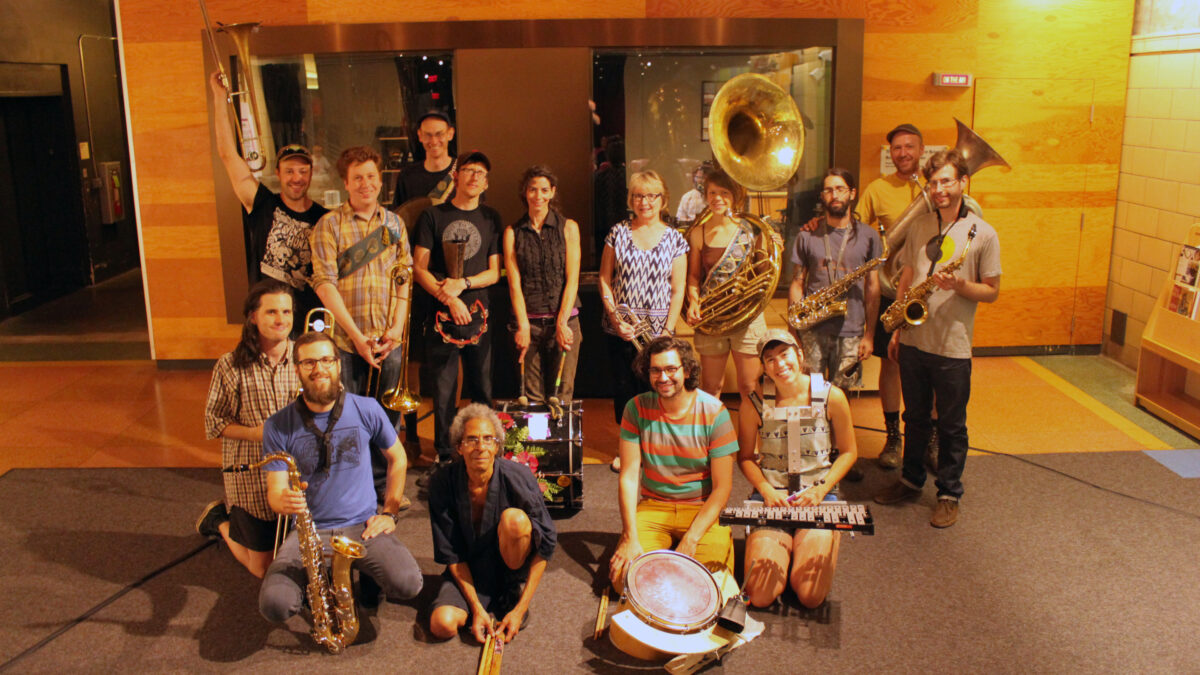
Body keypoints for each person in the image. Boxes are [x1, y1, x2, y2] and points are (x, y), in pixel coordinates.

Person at [873, 149, 1001, 528]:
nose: (940, 189)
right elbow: (908, 274)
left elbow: (992, 291)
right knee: (914, 417)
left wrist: (961, 285)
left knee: (951, 424)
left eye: (947, 181)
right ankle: (911, 480)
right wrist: (896, 326)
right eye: (934, 183)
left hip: (952, 345)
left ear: (963, 183)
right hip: (914, 340)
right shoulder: (920, 225)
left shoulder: (983, 232)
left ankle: (948, 492)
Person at [258, 331, 422, 624]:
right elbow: (275, 493)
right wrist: (283, 501)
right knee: (274, 604)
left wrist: (390, 513)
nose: (318, 369)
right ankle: (319, 578)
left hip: (363, 526)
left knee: (408, 583)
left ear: (338, 365)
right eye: (308, 363)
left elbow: (398, 458)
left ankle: (348, 576)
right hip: (309, 531)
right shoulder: (277, 425)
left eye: (325, 360)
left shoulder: (366, 408)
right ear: (297, 370)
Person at [855, 124, 981, 470]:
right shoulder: (878, 189)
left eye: (910, 146)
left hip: (939, 292)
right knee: (892, 363)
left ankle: (934, 436)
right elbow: (856, 229)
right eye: (896, 148)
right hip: (895, 288)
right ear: (890, 152)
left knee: (938, 365)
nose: (903, 153)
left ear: (921, 150)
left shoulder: (940, 188)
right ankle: (894, 436)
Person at [310, 146, 414, 503]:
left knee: (388, 416)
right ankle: (355, 487)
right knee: (347, 417)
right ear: (345, 182)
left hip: (388, 340)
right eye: (358, 178)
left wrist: (396, 330)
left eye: (371, 176)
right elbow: (324, 283)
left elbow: (405, 278)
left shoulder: (394, 224)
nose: (366, 184)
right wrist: (355, 337)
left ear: (380, 179)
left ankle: (386, 486)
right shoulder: (328, 225)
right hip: (346, 341)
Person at [736, 330, 858, 608]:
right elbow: (744, 457)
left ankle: (820, 536)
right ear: (763, 366)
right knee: (760, 595)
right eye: (770, 359)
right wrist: (765, 489)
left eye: (784, 355)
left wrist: (822, 489)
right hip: (772, 497)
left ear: (799, 355)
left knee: (810, 595)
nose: (779, 364)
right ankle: (781, 541)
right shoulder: (753, 403)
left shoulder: (832, 396)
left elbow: (850, 452)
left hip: (818, 496)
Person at [608, 337, 737, 590]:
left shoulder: (715, 412)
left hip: (701, 510)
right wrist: (629, 536)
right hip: (654, 506)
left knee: (708, 586)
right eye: (655, 370)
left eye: (671, 369)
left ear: (686, 370)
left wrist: (692, 538)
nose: (663, 377)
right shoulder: (635, 408)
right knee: (624, 581)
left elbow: (722, 488)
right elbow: (629, 477)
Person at [428, 404, 557, 644]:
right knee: (441, 625)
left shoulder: (518, 476)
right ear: (459, 447)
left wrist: (520, 609)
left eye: (488, 439)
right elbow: (452, 554)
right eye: (472, 440)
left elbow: (547, 545)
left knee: (515, 520)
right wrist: (476, 608)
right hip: (469, 570)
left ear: (498, 446)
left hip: (510, 566)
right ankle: (483, 607)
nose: (481, 447)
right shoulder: (442, 482)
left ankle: (508, 594)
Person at [198, 280, 299, 578]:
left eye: (286, 311)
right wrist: (257, 433)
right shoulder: (229, 365)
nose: (281, 319)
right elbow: (214, 422)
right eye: (271, 312)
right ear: (253, 316)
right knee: (263, 570)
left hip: (296, 472)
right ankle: (218, 520)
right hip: (251, 474)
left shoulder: (306, 357)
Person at [209, 72, 328, 321]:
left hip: (307, 319)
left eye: (302, 171)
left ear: (311, 173)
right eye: (289, 171)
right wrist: (220, 98)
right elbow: (228, 155)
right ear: (278, 173)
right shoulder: (263, 203)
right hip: (265, 318)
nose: (296, 178)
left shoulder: (324, 217)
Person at [413, 151, 502, 470]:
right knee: (444, 389)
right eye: (468, 170)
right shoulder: (432, 216)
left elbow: (494, 273)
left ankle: (484, 447)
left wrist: (461, 284)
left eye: (481, 172)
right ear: (455, 175)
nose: (474, 176)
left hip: (480, 314)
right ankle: (445, 453)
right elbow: (418, 267)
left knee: (482, 386)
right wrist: (448, 297)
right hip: (442, 315)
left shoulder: (492, 218)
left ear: (486, 181)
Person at [789, 168, 883, 390]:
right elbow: (797, 283)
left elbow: (873, 286)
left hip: (852, 331)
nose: (835, 195)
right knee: (811, 394)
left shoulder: (869, 236)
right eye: (829, 190)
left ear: (852, 193)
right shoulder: (806, 235)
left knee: (842, 397)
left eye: (840, 189)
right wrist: (794, 329)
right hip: (813, 329)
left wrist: (869, 334)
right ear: (822, 196)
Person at [684, 167, 768, 404]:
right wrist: (693, 302)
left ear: (735, 195)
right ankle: (713, 441)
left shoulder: (752, 230)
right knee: (711, 387)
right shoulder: (698, 232)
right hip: (712, 317)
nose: (717, 198)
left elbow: (764, 273)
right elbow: (693, 277)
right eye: (712, 193)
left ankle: (750, 443)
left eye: (724, 193)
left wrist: (774, 247)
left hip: (747, 317)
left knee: (750, 387)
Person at [503, 166, 582, 403]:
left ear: (552, 192)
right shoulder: (512, 232)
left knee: (561, 396)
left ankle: (563, 442)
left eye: (544, 190)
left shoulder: (569, 227)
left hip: (566, 322)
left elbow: (572, 279)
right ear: (525, 192)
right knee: (532, 399)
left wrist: (561, 323)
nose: (538, 196)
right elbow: (514, 284)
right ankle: (537, 442)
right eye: (533, 190)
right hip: (530, 325)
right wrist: (523, 326)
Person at [394, 111, 456, 207]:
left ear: (450, 134)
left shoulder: (463, 173)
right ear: (420, 136)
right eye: (428, 135)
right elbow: (399, 218)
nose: (434, 141)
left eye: (439, 134)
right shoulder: (407, 176)